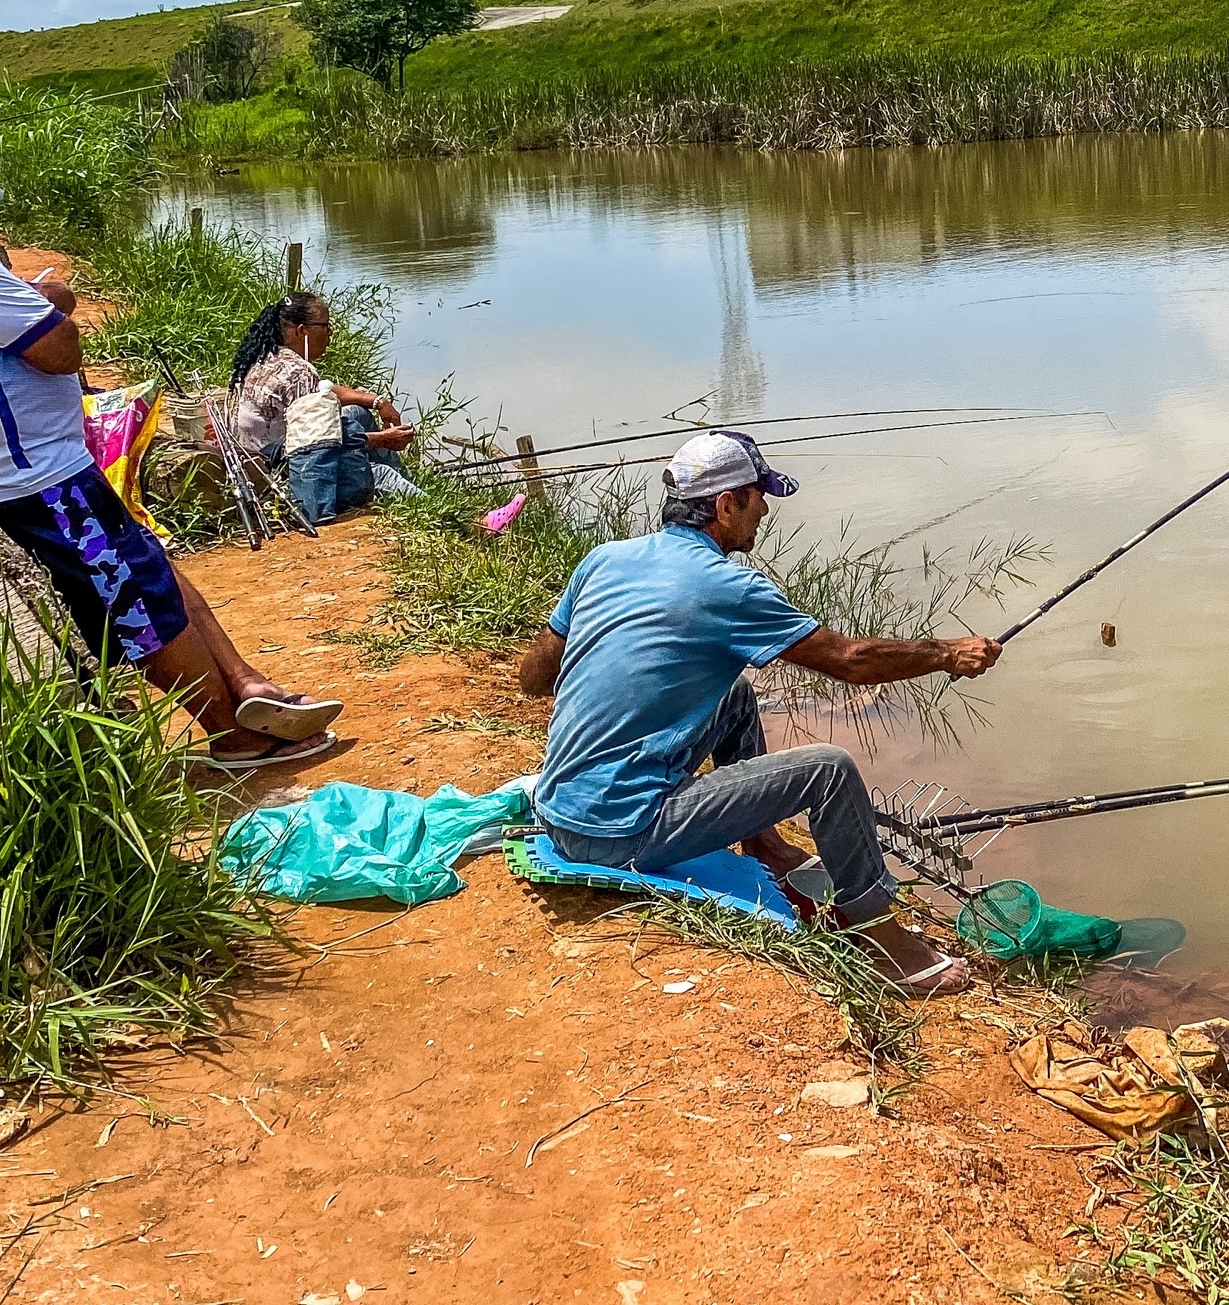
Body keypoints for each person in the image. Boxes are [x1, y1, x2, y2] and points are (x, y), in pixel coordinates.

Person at [0, 108, 343, 770]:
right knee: (133, 604)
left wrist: (28, 302)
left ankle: (246, 684)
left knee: (149, 571)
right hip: (23, 480)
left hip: (15, 467)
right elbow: (57, 347)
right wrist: (52, 300)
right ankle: (232, 733)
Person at [516, 430, 1002, 997]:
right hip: (619, 833)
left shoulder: (605, 559)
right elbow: (850, 661)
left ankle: (764, 843)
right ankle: (887, 942)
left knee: (736, 696)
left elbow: (534, 680)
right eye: (758, 496)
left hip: (559, 808)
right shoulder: (726, 586)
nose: (765, 509)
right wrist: (945, 653)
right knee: (828, 769)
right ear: (726, 505)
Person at [230, 293, 417, 511]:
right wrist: (384, 439)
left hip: (259, 457)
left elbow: (325, 389)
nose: (330, 334)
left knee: (357, 413)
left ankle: (409, 479)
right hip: (285, 471)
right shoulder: (298, 372)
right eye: (325, 326)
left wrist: (377, 401)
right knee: (384, 475)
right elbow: (317, 444)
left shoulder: (265, 356)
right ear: (303, 331)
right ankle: (424, 502)